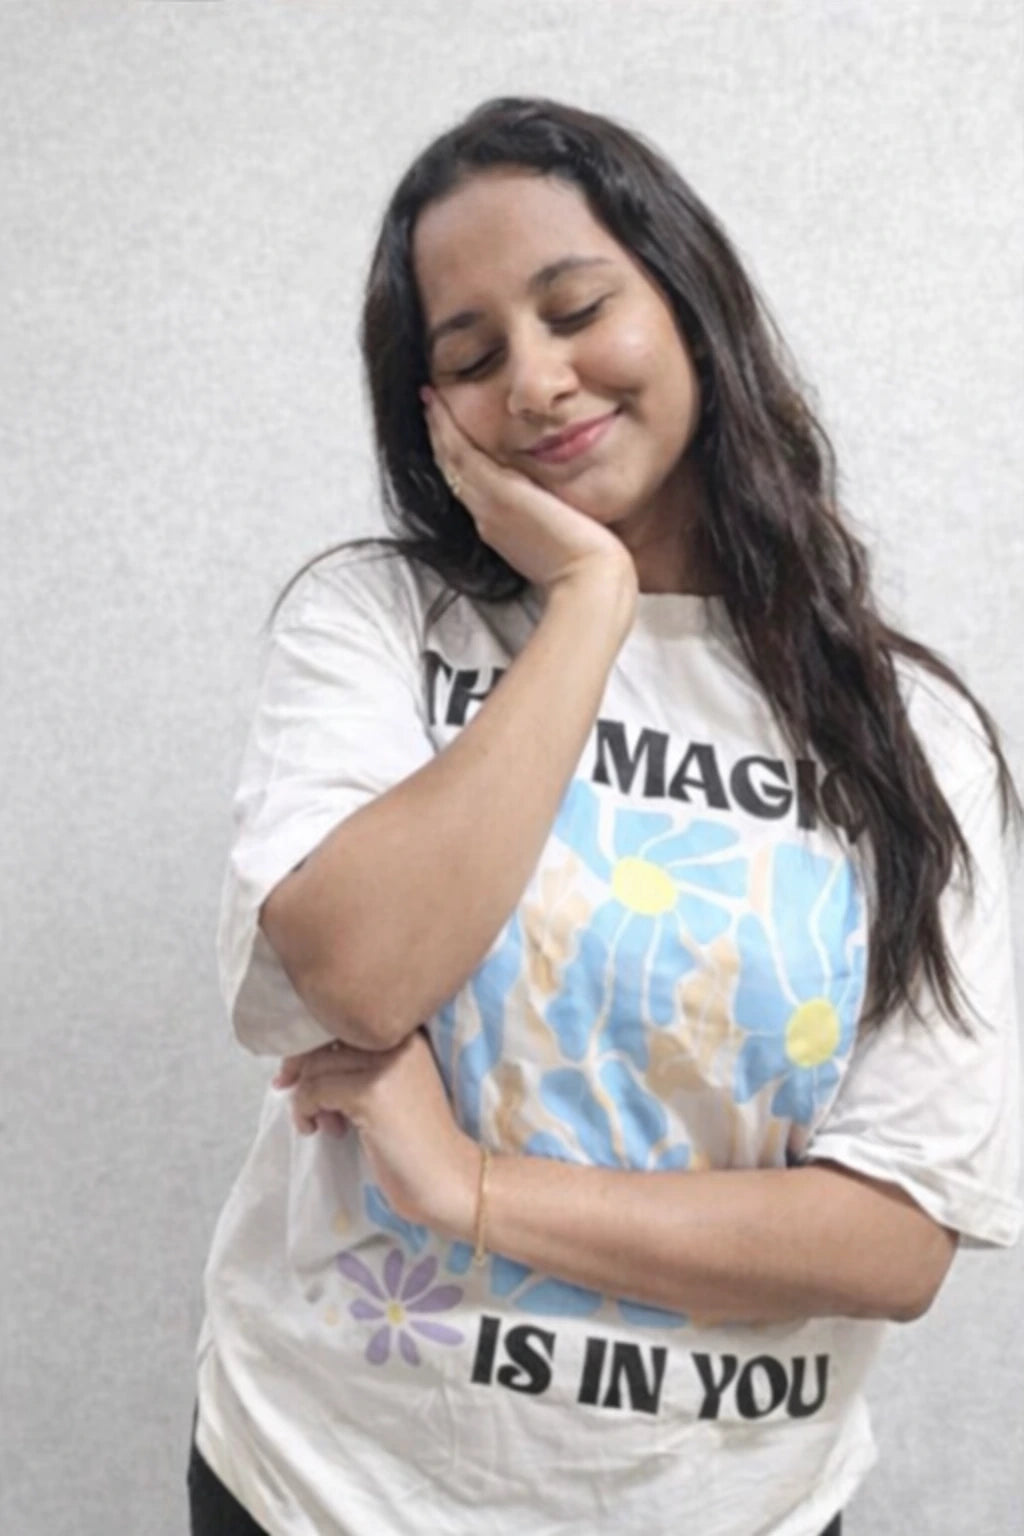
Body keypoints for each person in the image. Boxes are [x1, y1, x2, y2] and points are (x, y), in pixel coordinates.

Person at [187, 97, 1022, 1536]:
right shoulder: (377, 625)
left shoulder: (910, 738)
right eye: (472, 357)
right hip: (327, 1487)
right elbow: (366, 973)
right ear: (428, 407)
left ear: (690, 306)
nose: (537, 379)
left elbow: (890, 1241)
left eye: (577, 311)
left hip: (724, 1505)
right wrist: (590, 600)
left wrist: (469, 1188)